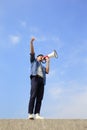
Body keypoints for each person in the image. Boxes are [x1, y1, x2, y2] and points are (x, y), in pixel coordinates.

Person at [28, 37, 50, 119]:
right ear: (37, 57)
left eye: (42, 56)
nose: (41, 57)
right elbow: (32, 53)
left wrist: (48, 62)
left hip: (42, 81)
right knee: (33, 95)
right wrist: (31, 43)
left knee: (40, 98)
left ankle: (37, 114)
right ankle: (30, 113)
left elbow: (47, 71)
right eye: (40, 56)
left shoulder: (43, 67)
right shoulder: (33, 61)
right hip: (35, 78)